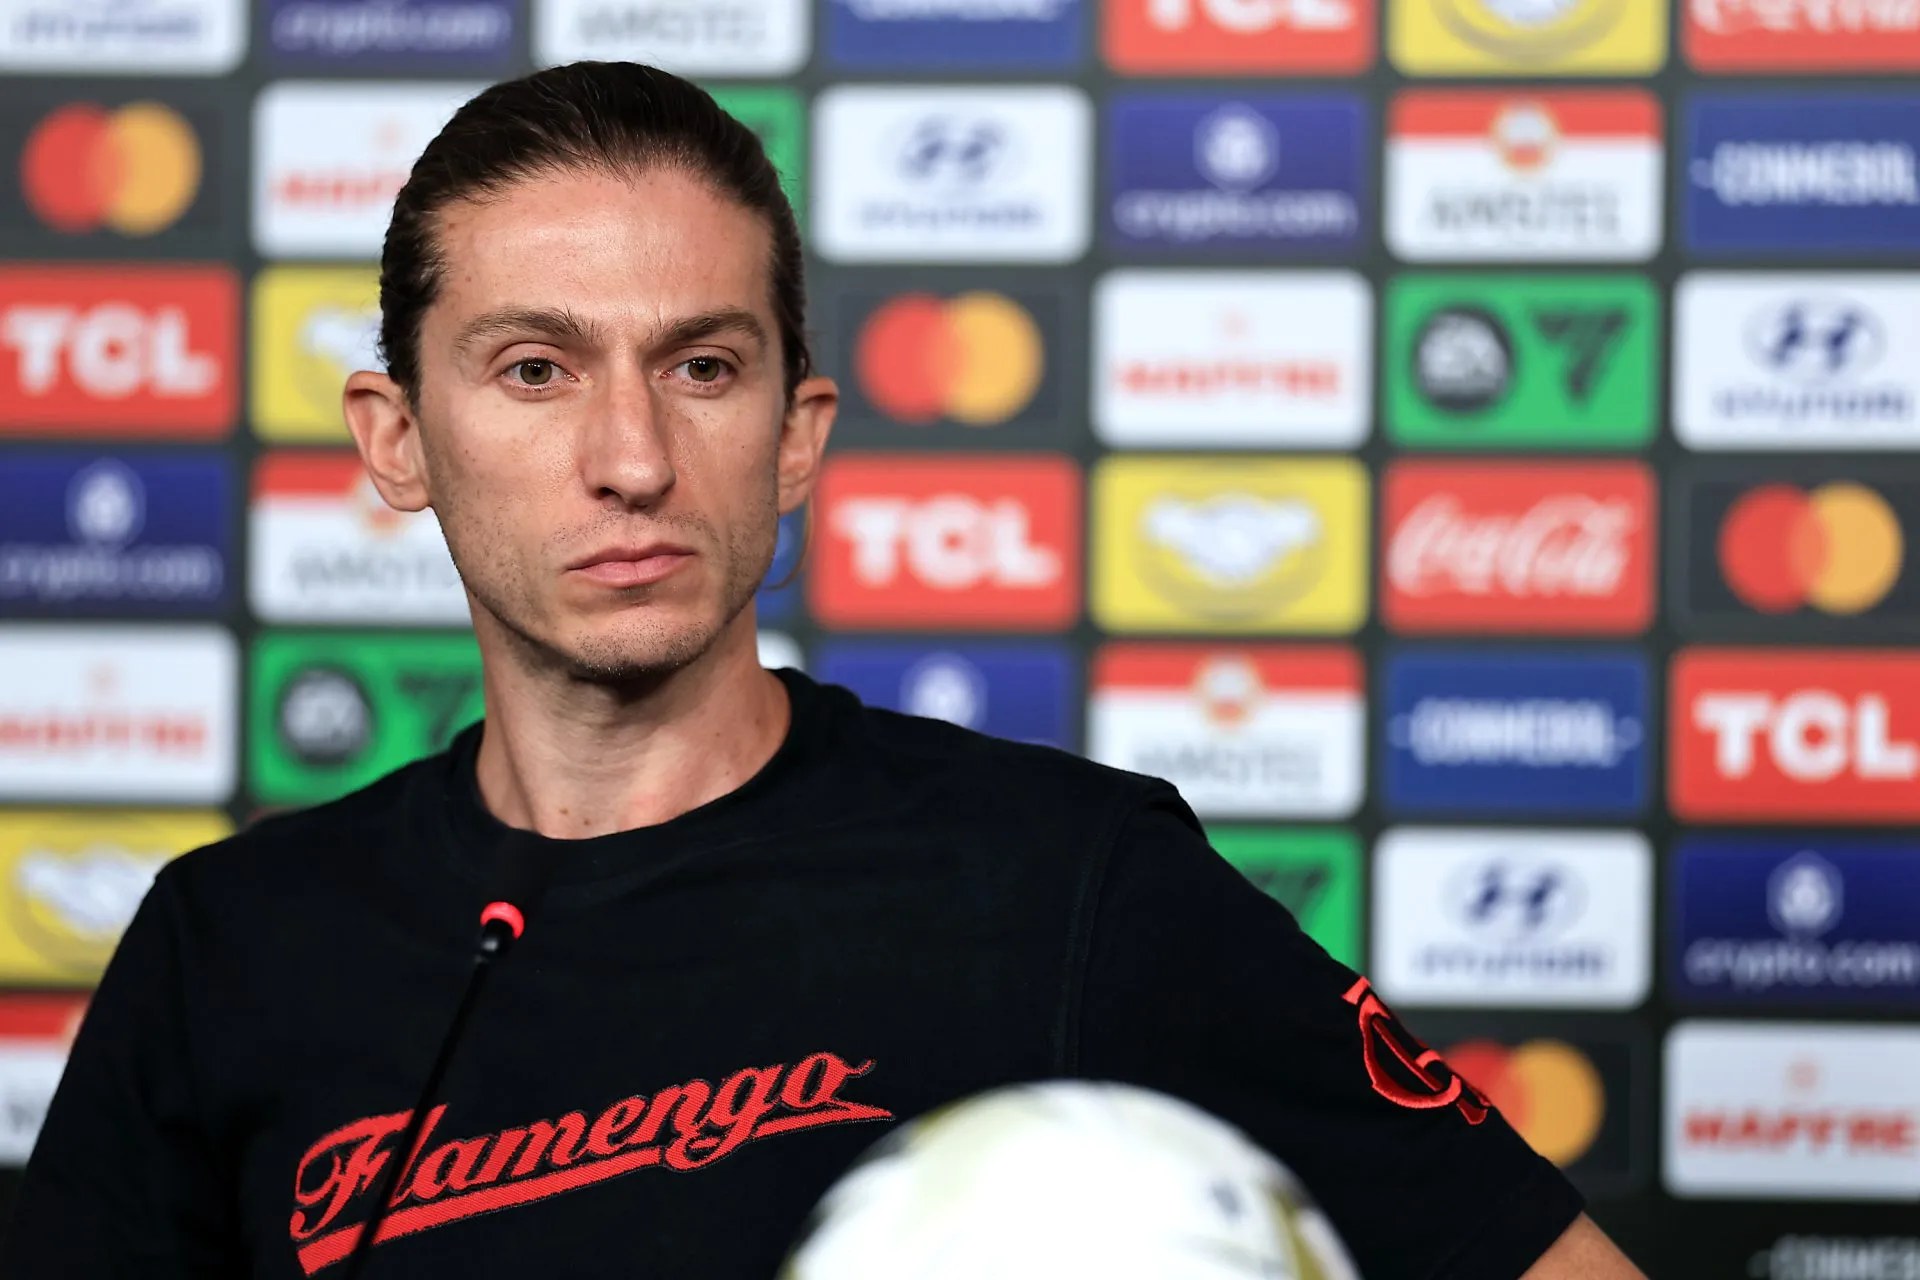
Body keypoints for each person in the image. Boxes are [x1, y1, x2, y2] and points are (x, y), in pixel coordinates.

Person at [2, 62, 1645, 1280]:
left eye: (702, 368)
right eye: (536, 369)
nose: (632, 457)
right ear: (398, 438)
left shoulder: (1076, 883)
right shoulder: (231, 946)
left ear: (795, 436)